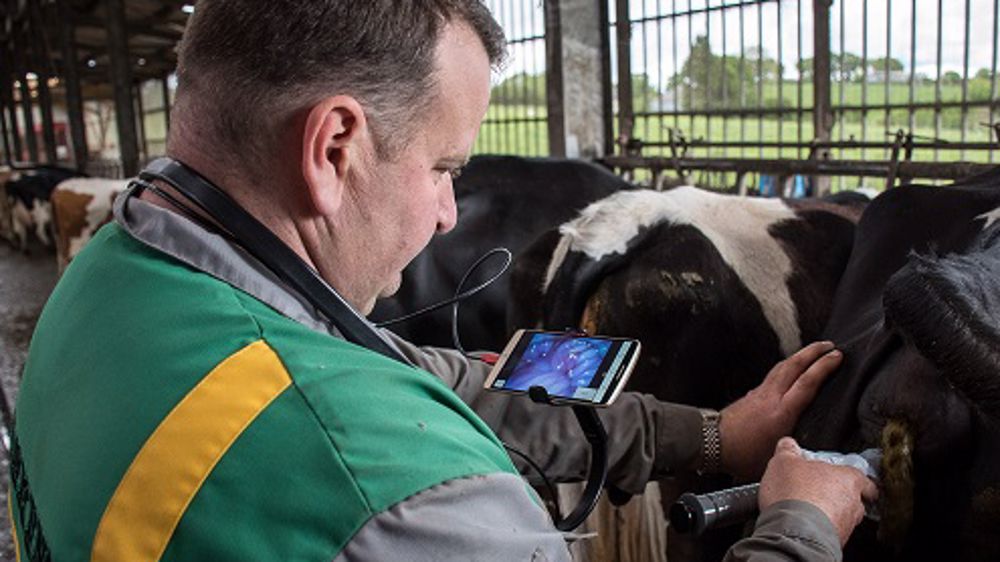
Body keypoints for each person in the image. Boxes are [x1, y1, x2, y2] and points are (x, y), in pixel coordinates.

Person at [10, 1, 875, 560]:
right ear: (334, 150)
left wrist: (715, 435)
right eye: (443, 166)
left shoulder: (113, 280)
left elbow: (428, 374)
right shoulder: (412, 507)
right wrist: (797, 529)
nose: (449, 214)